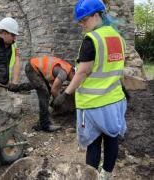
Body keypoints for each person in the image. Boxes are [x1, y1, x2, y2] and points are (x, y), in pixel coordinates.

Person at [53, 0, 127, 179]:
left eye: (84, 20)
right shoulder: (117, 36)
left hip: (94, 105)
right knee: (112, 139)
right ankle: (106, 175)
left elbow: (82, 72)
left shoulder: (91, 40)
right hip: (115, 101)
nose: (81, 24)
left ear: (97, 15)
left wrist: (66, 94)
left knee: (93, 144)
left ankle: (90, 177)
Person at [8, 55, 75, 132]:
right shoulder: (64, 72)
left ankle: (16, 87)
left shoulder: (65, 68)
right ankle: (45, 125)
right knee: (44, 93)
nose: (72, 81)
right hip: (32, 67)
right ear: (73, 72)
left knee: (39, 86)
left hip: (37, 69)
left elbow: (53, 86)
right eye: (74, 78)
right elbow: (54, 90)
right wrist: (60, 104)